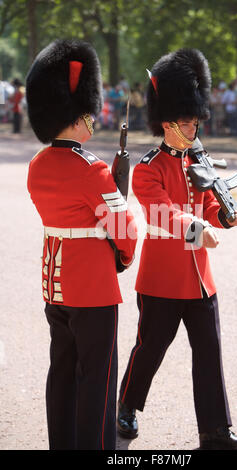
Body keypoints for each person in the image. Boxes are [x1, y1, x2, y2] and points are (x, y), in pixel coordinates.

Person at [117, 48, 237, 450]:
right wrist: (198, 229)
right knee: (150, 350)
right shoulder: (148, 168)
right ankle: (126, 403)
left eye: (196, 121)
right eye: (186, 122)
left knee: (209, 353)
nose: (193, 128)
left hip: (200, 281)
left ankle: (215, 432)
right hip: (161, 279)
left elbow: (210, 204)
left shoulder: (199, 159)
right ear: (167, 122)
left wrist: (227, 216)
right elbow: (161, 216)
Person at [26, 39, 137, 450]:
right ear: (76, 117)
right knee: (98, 380)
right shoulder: (91, 170)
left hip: (55, 285)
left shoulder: (37, 166)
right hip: (93, 288)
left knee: (62, 373)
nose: (93, 120)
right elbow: (124, 229)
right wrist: (122, 257)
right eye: (88, 114)